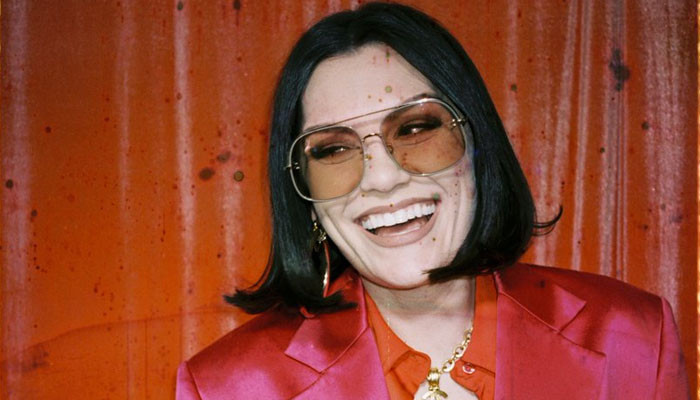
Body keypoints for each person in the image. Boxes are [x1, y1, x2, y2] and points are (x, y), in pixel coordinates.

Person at [175, 3, 690, 399]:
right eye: (333, 150)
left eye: (416, 128)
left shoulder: (636, 341)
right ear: (305, 197)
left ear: (477, 144)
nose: (382, 178)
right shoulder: (225, 388)